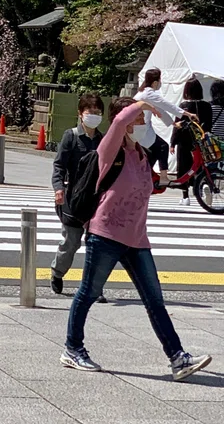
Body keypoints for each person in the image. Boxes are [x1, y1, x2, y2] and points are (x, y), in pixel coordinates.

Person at [61, 96, 212, 380]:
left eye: (143, 119)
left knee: (155, 300)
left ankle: (178, 358)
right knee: (88, 293)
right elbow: (119, 120)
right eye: (138, 119)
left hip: (137, 239)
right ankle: (73, 349)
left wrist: (175, 118)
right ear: (125, 122)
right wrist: (142, 104)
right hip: (105, 234)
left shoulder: (142, 154)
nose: (143, 123)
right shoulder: (109, 150)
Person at [50, 93, 105, 297]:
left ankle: (94, 286)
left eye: (98, 112)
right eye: (90, 112)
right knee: (70, 242)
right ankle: (57, 273)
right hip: (73, 199)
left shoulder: (103, 140)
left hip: (96, 200)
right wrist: (58, 188)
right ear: (81, 113)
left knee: (97, 246)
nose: (94, 116)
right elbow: (59, 165)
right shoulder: (71, 136)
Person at [135, 68, 195, 188]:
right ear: (155, 82)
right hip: (142, 130)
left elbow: (160, 110)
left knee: (154, 152)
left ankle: (144, 174)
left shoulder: (143, 92)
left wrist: (174, 124)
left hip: (141, 129)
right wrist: (188, 114)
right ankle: (163, 178)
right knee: (163, 147)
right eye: (160, 80)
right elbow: (167, 105)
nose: (160, 83)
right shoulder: (149, 94)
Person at [172, 77, 213, 205]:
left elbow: (177, 126)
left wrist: (172, 143)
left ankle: (185, 197)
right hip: (201, 140)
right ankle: (203, 186)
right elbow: (209, 125)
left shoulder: (183, 106)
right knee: (201, 165)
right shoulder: (207, 106)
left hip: (184, 140)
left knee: (183, 167)